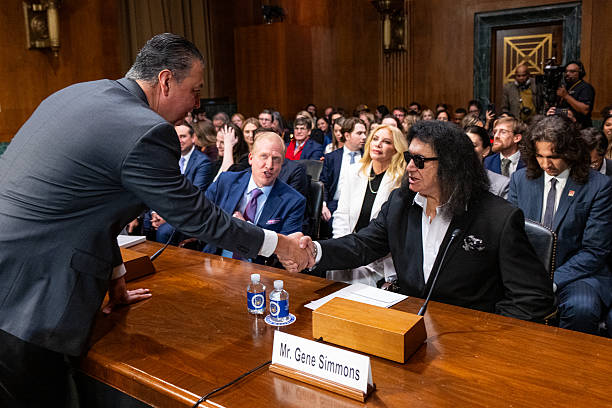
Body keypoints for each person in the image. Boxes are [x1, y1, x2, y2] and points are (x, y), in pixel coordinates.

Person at [0, 33, 308, 406]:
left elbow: (89, 210)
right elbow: (198, 217)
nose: (197, 104)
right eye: (194, 90)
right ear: (164, 81)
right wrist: (281, 244)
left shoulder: (76, 94)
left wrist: (116, 279)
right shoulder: (144, 130)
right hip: (32, 301)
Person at [290, 121, 554, 322]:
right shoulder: (401, 203)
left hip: (469, 340)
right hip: (410, 329)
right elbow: (363, 245)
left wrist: (486, 333)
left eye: (420, 161)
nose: (409, 168)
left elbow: (533, 298)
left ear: (451, 165)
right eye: (408, 158)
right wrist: (314, 250)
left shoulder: (498, 218)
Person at [508, 115, 612, 335]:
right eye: (539, 156)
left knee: (581, 308)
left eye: (554, 156)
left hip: (578, 274)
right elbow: (511, 235)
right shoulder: (520, 180)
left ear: (571, 152)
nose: (546, 164)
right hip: (528, 272)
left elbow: (594, 250)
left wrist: (552, 281)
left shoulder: (599, 187)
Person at [203, 132, 305, 264]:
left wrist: (245, 228)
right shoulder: (226, 182)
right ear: (251, 158)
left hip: (258, 270)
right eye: (264, 156)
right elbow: (202, 216)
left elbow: (287, 251)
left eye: (276, 159)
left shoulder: (293, 201)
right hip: (214, 261)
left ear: (282, 164)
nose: (269, 165)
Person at [327, 125, 407, 286]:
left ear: (396, 150)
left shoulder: (401, 181)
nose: (378, 144)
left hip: (379, 258)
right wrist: (343, 249)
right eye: (375, 139)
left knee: (360, 281)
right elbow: (341, 215)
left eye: (386, 142)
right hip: (349, 247)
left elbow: (394, 233)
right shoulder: (354, 171)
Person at [151, 122, 214, 244]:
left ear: (193, 138)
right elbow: (158, 188)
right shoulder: (167, 158)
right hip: (166, 209)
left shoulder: (202, 162)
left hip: (189, 214)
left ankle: (165, 263)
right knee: (146, 221)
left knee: (164, 232)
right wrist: (156, 212)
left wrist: (167, 216)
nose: (179, 140)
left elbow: (195, 196)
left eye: (183, 136)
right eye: (176, 136)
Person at [320, 117, 367, 225]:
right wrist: (323, 205)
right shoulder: (332, 158)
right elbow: (324, 183)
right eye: (359, 133)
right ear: (347, 135)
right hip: (336, 204)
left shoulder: (368, 158)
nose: (364, 137)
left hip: (361, 205)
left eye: (365, 133)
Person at [465, 126, 509, 198]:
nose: (467, 149)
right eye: (464, 144)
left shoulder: (501, 184)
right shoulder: (448, 179)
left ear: (486, 151)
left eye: (473, 145)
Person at [555, 60, 595, 128]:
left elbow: (585, 110)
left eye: (572, 71)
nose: (567, 73)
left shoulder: (585, 87)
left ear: (580, 73)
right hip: (564, 126)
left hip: (581, 128)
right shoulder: (565, 87)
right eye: (566, 71)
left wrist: (566, 96)